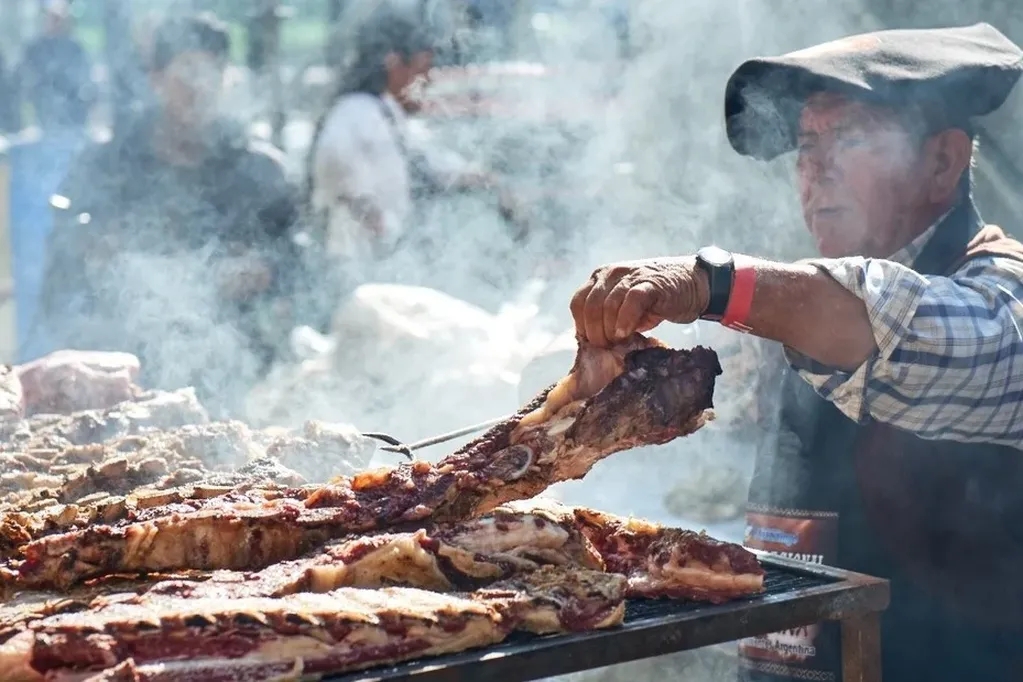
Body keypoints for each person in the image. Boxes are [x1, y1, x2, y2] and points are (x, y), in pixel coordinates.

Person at [568, 23, 1023, 682]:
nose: (814, 167)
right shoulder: (806, 304)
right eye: (806, 143)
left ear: (941, 162)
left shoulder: (1001, 289)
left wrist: (710, 283)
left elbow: (919, 330)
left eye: (850, 137)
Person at [37, 13, 303, 418]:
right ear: (156, 77)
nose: (200, 84)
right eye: (188, 69)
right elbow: (61, 265)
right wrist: (96, 255)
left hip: (243, 378)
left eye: (213, 70)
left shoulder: (260, 171)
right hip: (124, 378)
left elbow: (301, 264)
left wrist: (266, 269)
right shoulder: (107, 165)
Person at [305, 0, 530, 308]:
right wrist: (371, 216)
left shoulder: (388, 116)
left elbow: (432, 162)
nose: (427, 85)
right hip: (353, 277)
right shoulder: (355, 113)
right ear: (393, 64)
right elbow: (339, 173)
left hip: (384, 272)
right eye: (422, 72)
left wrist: (489, 183)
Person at [13, 0, 95, 133]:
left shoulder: (76, 50)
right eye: (53, 19)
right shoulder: (34, 49)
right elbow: (23, 82)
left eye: (60, 20)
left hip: (74, 122)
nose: (57, 24)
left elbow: (84, 83)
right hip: (40, 120)